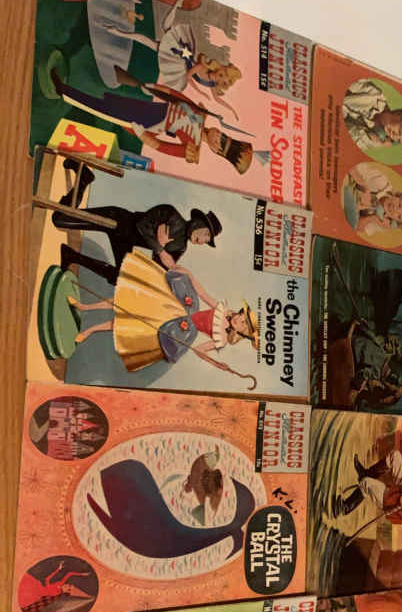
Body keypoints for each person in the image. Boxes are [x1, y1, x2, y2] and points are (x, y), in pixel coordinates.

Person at [67, 249, 259, 381]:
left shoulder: (221, 340)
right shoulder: (222, 310)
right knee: (128, 300)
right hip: (178, 305)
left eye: (243, 324)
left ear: (241, 333)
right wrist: (190, 275)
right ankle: (85, 307)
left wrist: (216, 364)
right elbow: (203, 294)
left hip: (179, 328)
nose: (238, 319)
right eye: (242, 316)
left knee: (129, 323)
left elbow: (199, 350)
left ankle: (90, 331)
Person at [50, 70, 253, 174]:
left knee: (104, 111)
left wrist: (141, 134)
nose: (219, 135)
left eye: (220, 142)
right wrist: (155, 88)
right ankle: (70, 87)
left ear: (216, 151)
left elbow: (161, 147)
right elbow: (177, 98)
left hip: (149, 123)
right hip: (152, 108)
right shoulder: (201, 114)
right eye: (223, 136)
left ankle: (65, 93)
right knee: (110, 100)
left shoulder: (192, 148)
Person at [53, 161, 222, 284]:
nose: (203, 241)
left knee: (120, 278)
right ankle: (83, 179)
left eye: (206, 241)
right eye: (206, 234)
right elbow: (142, 225)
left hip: (125, 241)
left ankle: (71, 256)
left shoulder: (180, 247)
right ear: (198, 223)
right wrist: (160, 248)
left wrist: (160, 249)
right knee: (60, 220)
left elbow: (157, 269)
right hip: (118, 221)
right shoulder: (170, 213)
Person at [106, 9, 241, 120]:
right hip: (179, 55)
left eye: (221, 80)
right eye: (221, 74)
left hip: (178, 64)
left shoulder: (211, 84)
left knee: (160, 35)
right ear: (220, 68)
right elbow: (188, 76)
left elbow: (218, 100)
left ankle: (170, 14)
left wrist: (232, 111)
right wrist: (199, 91)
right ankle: (118, 32)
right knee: (151, 41)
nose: (218, 77)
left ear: (220, 84)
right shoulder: (203, 67)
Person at [343, 79, 402, 150]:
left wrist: (370, 138)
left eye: (398, 140)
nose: (394, 136)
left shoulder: (372, 137)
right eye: (399, 131)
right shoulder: (374, 94)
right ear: (399, 115)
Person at [344, 165, 402, 235]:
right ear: (398, 196)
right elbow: (351, 167)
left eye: (398, 216)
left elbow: (356, 227)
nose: (395, 209)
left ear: (394, 221)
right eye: (399, 205)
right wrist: (365, 188)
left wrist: (373, 218)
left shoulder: (382, 222)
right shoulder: (382, 182)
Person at [18, 561, 92, 612]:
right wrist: (81, 574)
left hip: (37, 593)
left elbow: (47, 583)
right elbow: (69, 574)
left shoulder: (56, 593)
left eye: (68, 588)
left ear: (66, 591)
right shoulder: (61, 583)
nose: (67, 585)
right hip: (38, 585)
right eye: (69, 585)